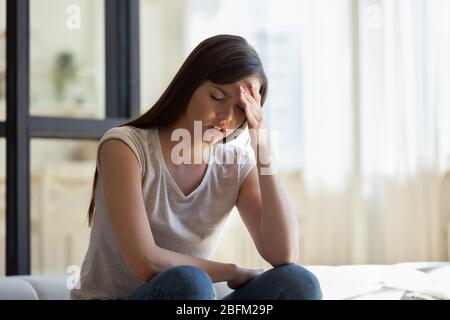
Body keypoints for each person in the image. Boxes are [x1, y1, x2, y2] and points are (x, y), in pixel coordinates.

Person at [70, 34, 322, 300]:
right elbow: (145, 262)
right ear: (190, 85)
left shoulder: (235, 166)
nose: (226, 117)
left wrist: (262, 145)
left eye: (240, 108)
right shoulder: (125, 147)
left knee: (297, 282)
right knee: (188, 282)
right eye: (217, 96)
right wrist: (233, 271)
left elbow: (283, 253)